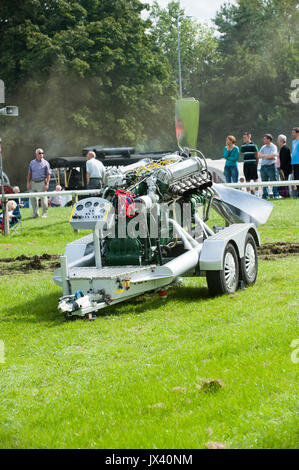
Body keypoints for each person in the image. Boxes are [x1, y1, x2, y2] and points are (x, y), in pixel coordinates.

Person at [27, 148, 51, 218]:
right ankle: (35, 214)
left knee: (44, 199)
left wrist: (47, 184)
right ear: (36, 154)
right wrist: (28, 183)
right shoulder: (32, 163)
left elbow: (48, 174)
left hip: (42, 183)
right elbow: (29, 173)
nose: (41, 154)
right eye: (40, 153)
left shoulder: (46, 163)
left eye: (42, 153)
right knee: (33, 199)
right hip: (33, 183)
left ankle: (44, 213)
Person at [259, 134, 279, 199]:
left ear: (269, 139)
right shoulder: (263, 147)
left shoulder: (274, 147)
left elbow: (272, 156)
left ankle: (275, 195)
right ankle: (265, 195)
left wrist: (264, 156)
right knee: (264, 182)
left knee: (274, 181)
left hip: (271, 166)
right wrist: (268, 156)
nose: (263, 140)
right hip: (263, 167)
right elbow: (259, 155)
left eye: (265, 139)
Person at [291, 127, 299, 197]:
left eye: (293, 133)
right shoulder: (293, 142)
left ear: (297, 133)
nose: (292, 134)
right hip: (294, 162)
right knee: (296, 179)